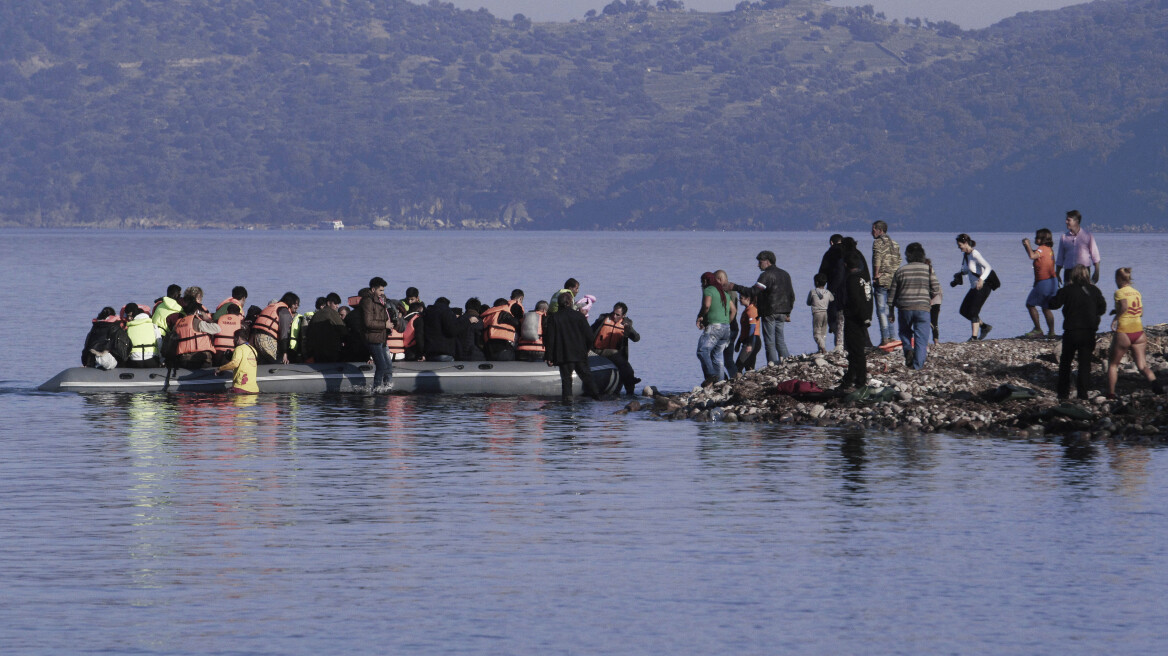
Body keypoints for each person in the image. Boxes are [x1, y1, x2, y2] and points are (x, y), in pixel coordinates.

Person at [1049, 265, 1107, 400]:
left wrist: (1050, 295)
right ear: (1087, 275)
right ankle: (1083, 393)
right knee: (1085, 363)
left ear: (1072, 276)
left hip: (1071, 330)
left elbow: (1054, 304)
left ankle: (1063, 393)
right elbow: (1102, 309)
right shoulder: (1094, 290)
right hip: (1088, 331)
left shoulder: (1067, 290)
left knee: (1065, 362)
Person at [1106, 267, 1163, 399]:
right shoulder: (1137, 292)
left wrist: (1115, 319)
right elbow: (1140, 312)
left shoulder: (1119, 292)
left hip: (1124, 332)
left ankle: (1110, 394)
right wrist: (1118, 311)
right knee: (1142, 366)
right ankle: (1156, 387)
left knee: (1113, 364)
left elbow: (1125, 307)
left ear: (1119, 279)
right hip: (1138, 332)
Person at [731, 250, 794, 365]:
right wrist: (788, 312)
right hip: (783, 311)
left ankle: (773, 364)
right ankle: (787, 362)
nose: (758, 265)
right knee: (780, 340)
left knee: (769, 341)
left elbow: (753, 291)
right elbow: (791, 295)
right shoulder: (785, 274)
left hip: (769, 311)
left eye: (760, 262)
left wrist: (736, 287)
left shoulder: (766, 275)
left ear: (767, 261)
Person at [888, 242, 941, 370]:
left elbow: (892, 294)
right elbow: (936, 289)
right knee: (921, 340)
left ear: (907, 256)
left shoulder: (900, 271)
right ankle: (917, 366)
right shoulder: (927, 269)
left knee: (904, 332)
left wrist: (891, 311)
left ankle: (907, 350)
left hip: (904, 308)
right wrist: (929, 296)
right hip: (923, 308)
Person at [544, 292, 601, 401]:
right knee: (587, 378)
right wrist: (586, 349)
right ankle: (597, 398)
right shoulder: (579, 316)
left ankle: (567, 406)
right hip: (580, 354)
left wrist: (549, 357)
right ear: (571, 303)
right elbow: (590, 336)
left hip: (563, 355)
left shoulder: (554, 318)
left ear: (559, 304)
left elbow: (550, 339)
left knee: (566, 382)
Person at [839, 246, 873, 390]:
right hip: (864, 315)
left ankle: (860, 380)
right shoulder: (864, 278)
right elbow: (868, 298)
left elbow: (855, 300)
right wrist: (867, 316)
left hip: (855, 318)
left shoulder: (851, 279)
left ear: (846, 265)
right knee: (856, 350)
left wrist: (858, 315)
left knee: (856, 350)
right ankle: (850, 378)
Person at [591, 302, 642, 395]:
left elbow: (636, 338)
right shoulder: (603, 319)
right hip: (597, 350)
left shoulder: (626, 324)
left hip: (615, 354)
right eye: (613, 313)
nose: (614, 316)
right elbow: (590, 331)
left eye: (617, 315)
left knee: (628, 369)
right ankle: (630, 381)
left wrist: (629, 330)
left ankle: (630, 393)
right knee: (615, 353)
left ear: (624, 315)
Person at [953, 234, 995, 341]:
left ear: (966, 243)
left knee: (973, 311)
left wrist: (981, 280)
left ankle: (974, 337)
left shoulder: (975, 254)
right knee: (963, 311)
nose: (959, 247)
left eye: (960, 245)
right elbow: (969, 270)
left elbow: (988, 267)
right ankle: (984, 327)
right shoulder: (966, 255)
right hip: (974, 286)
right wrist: (959, 274)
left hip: (983, 286)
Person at [697, 271, 735, 386]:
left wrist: (700, 316)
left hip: (714, 327)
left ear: (705, 281)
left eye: (702, 282)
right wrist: (727, 322)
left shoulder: (708, 290)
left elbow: (707, 306)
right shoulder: (724, 293)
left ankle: (711, 375)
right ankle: (721, 383)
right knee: (717, 356)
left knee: (702, 351)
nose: (701, 285)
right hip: (726, 328)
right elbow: (733, 310)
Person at [360, 278, 395, 389]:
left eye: (383, 290)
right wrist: (384, 325)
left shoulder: (382, 300)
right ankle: (376, 388)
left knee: (388, 366)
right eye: (380, 290)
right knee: (381, 366)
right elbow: (368, 322)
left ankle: (387, 387)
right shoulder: (368, 301)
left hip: (382, 337)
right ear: (373, 289)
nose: (382, 293)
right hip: (373, 338)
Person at [1022, 228, 1058, 337]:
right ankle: (1051, 332)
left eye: (1037, 237)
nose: (1035, 239)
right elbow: (1035, 254)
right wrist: (1026, 247)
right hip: (1052, 281)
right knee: (1046, 307)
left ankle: (1038, 329)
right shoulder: (1049, 249)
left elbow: (1032, 256)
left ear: (1042, 239)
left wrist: (1027, 244)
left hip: (1044, 282)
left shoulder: (1042, 248)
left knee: (1030, 304)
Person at [871, 220, 901, 346]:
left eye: (873, 230)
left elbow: (877, 259)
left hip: (882, 280)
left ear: (879, 230)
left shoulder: (878, 242)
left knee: (881, 310)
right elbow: (899, 260)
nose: (872, 232)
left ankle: (885, 337)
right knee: (890, 309)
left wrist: (876, 275)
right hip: (894, 280)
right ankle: (893, 337)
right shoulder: (895, 243)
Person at [171, 293, 220, 369]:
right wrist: (207, 319)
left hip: (183, 360)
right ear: (196, 311)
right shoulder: (198, 323)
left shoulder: (178, 323)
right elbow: (217, 329)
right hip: (201, 359)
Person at [818, 234, 848, 353]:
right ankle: (843, 343)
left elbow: (822, 273)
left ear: (831, 242)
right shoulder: (850, 252)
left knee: (834, 315)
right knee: (845, 316)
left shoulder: (829, 253)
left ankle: (837, 343)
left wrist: (821, 288)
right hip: (849, 288)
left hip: (834, 288)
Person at [1055, 209, 1102, 285]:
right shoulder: (1064, 237)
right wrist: (1057, 273)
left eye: (1068, 220)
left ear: (1076, 221)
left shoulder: (1088, 236)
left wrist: (1097, 272)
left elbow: (1095, 256)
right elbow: (1060, 258)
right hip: (1069, 272)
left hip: (1084, 272)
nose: (1066, 222)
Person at [252, 292, 300, 365]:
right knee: (279, 361)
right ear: (289, 302)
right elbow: (284, 334)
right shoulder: (285, 312)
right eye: (295, 304)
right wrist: (285, 353)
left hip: (254, 338)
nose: (296, 306)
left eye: (298, 304)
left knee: (262, 361)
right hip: (266, 339)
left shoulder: (272, 306)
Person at [305, 292, 348, 363]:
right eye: (335, 303)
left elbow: (308, 333)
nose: (337, 306)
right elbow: (343, 331)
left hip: (316, 352)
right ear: (328, 303)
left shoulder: (316, 315)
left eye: (338, 304)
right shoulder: (332, 313)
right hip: (331, 352)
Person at [216, 329, 259, 394]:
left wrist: (220, 369)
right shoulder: (253, 350)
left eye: (234, 338)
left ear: (238, 338)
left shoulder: (239, 348)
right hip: (254, 390)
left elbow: (234, 364)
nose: (233, 340)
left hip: (241, 388)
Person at [420, 296, 460, 362]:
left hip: (429, 353)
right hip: (444, 352)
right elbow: (452, 331)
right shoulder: (447, 312)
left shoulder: (427, 313)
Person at [122, 303, 162, 368]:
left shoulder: (129, 328)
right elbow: (159, 342)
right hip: (151, 360)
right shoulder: (153, 326)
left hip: (135, 361)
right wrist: (161, 358)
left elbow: (125, 346)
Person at [807, 273, 834, 354]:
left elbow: (808, 303)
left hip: (817, 313)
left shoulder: (812, 292)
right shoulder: (828, 292)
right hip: (825, 313)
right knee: (823, 333)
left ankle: (823, 348)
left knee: (816, 334)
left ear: (816, 282)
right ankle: (821, 350)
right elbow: (832, 299)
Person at [735, 291, 761, 372]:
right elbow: (745, 329)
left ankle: (736, 382)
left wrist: (749, 344)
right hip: (747, 340)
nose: (739, 300)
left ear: (748, 299)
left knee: (739, 364)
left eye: (741, 298)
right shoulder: (747, 310)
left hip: (753, 340)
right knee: (748, 367)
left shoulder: (752, 310)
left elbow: (752, 328)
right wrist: (738, 342)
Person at [926, 258, 942, 343]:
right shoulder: (931, 273)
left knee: (933, 322)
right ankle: (936, 341)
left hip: (933, 300)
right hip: (936, 299)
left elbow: (936, 289)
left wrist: (930, 298)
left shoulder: (930, 274)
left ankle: (936, 341)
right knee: (933, 322)